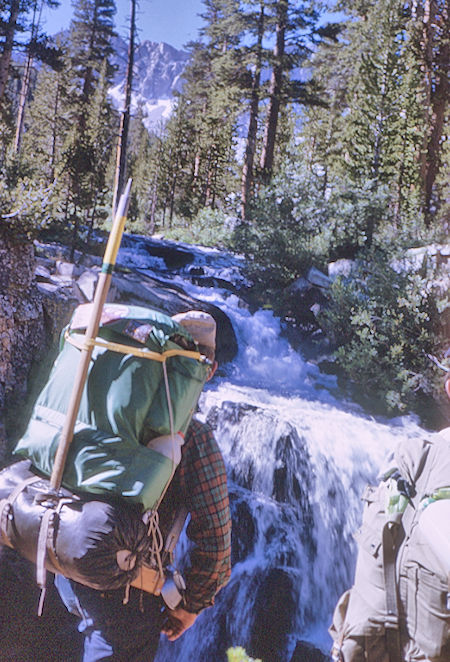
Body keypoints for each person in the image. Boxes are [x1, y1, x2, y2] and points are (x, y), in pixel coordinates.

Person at [55, 310, 232, 661]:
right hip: (126, 589)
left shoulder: (102, 405)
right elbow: (217, 541)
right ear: (208, 371)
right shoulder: (192, 437)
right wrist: (191, 605)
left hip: (65, 564)